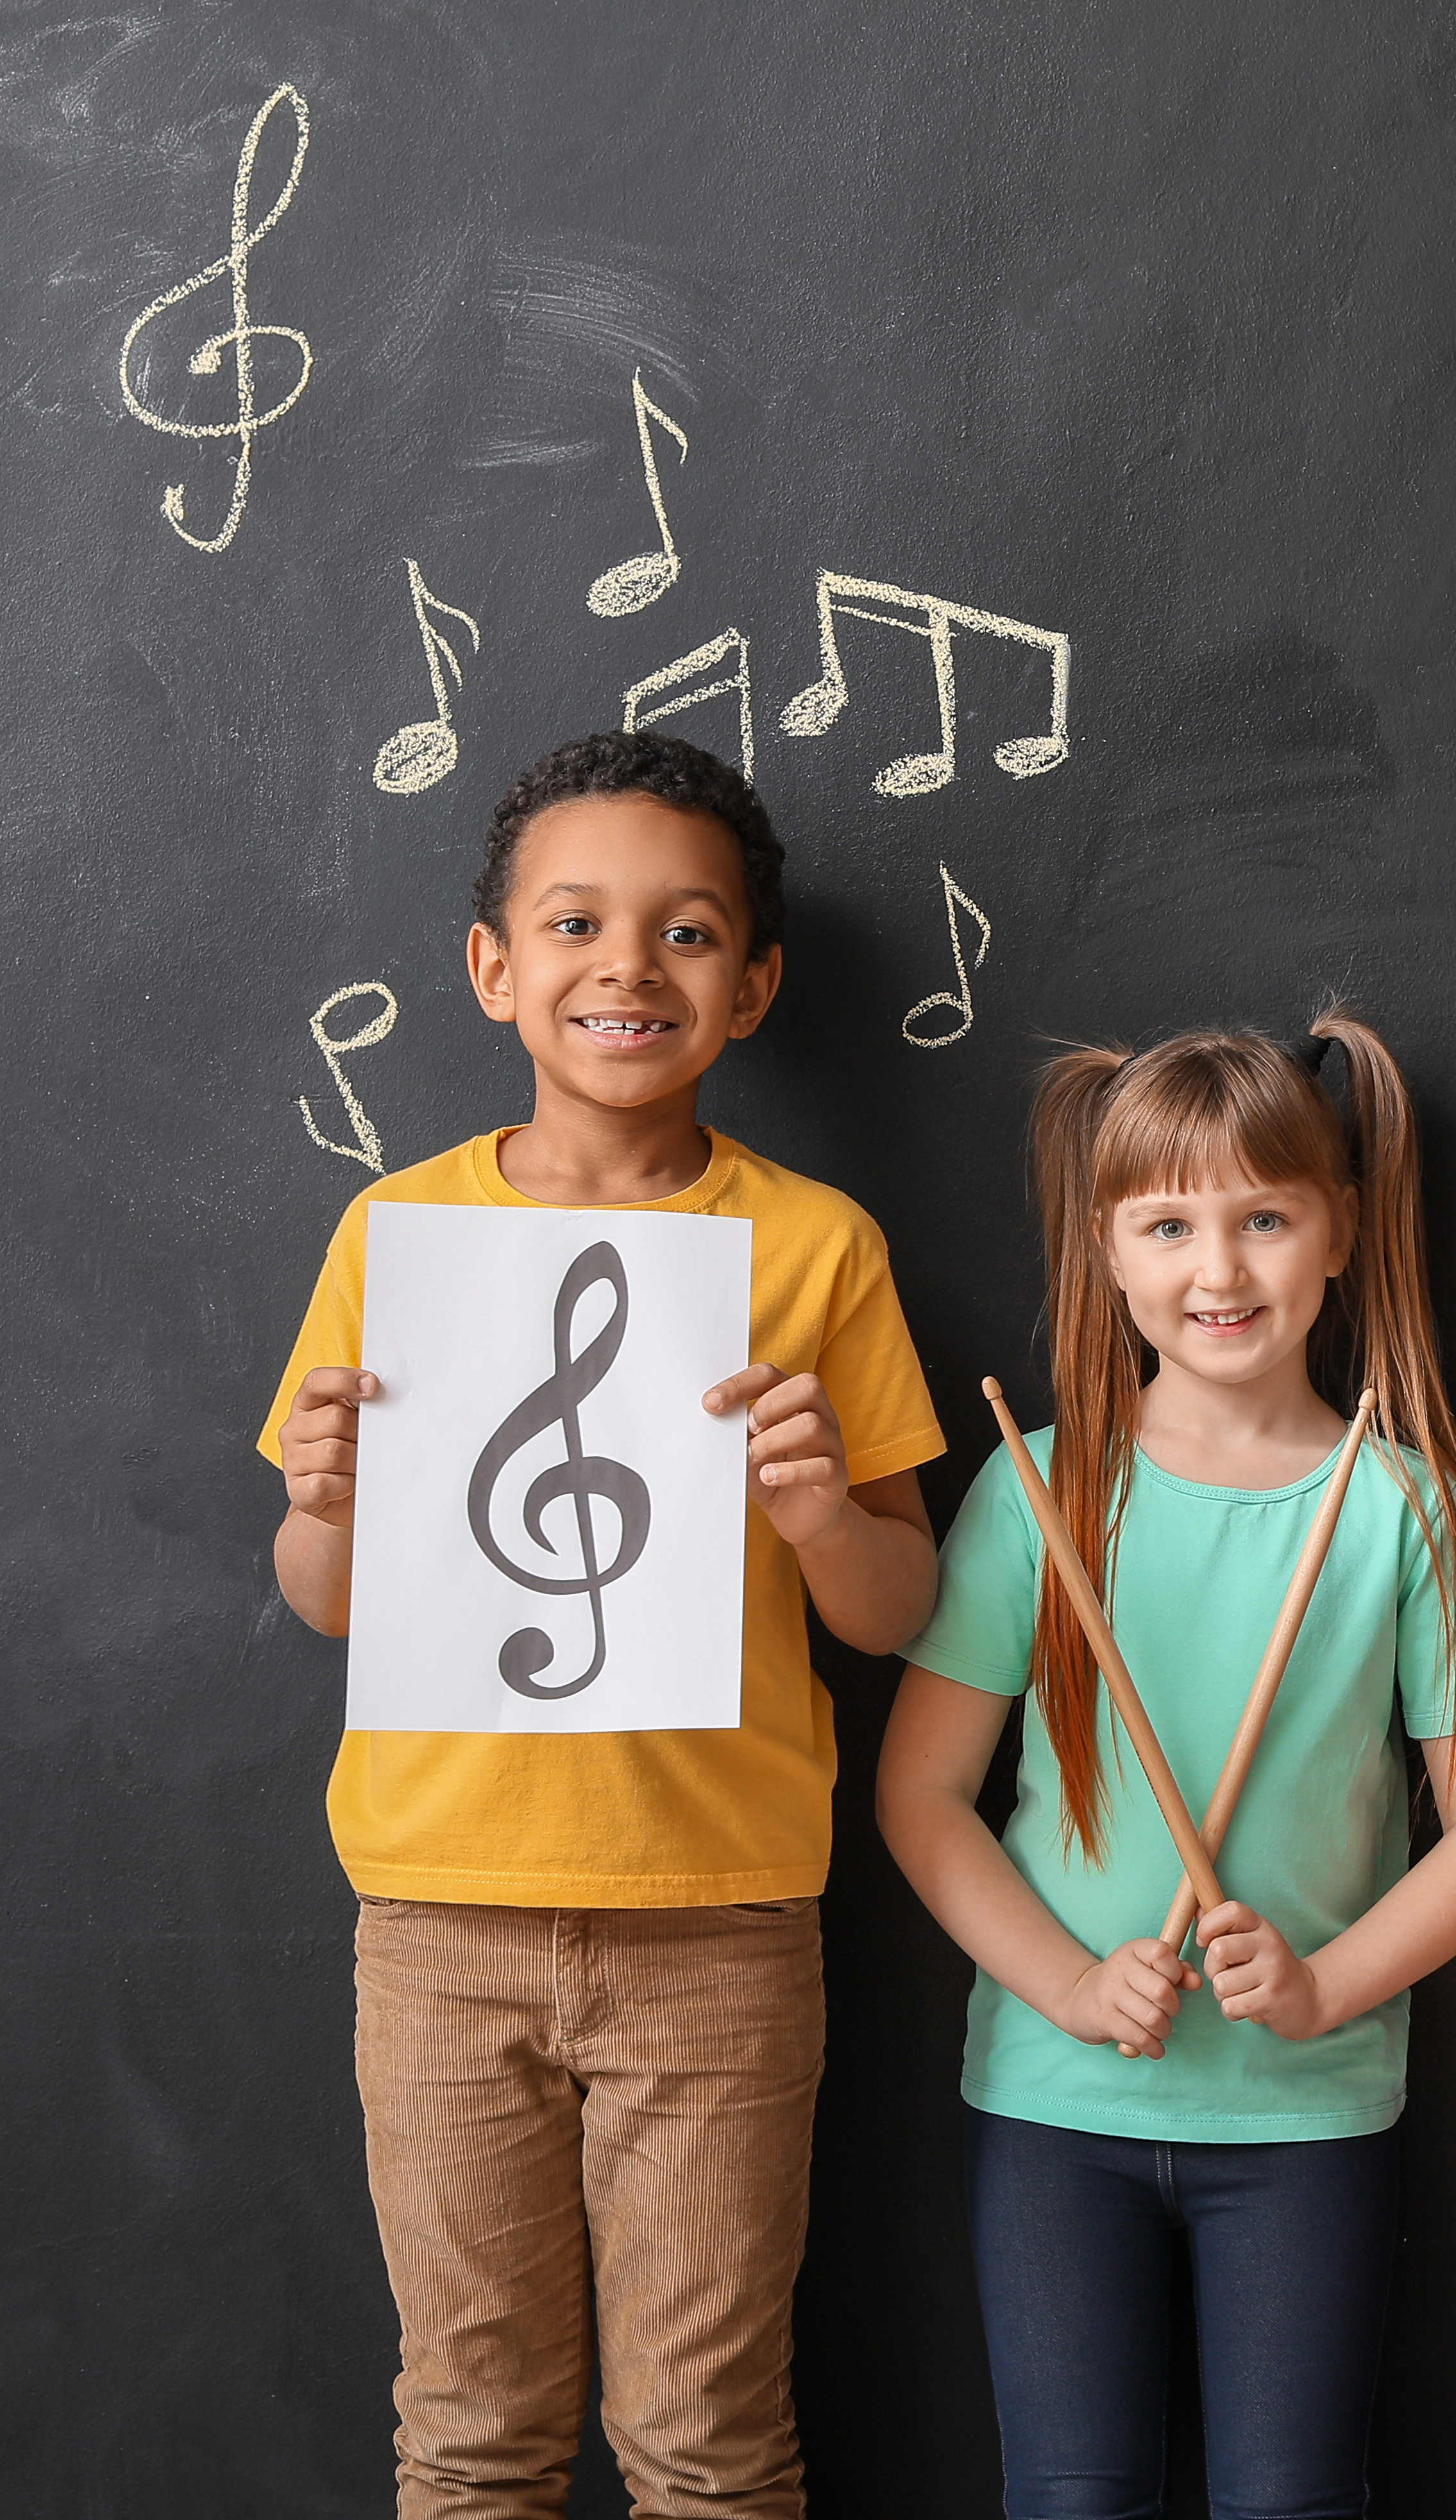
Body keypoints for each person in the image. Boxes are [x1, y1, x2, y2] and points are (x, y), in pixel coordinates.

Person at [260, 730, 946, 2519]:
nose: (627, 965)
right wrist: (324, 1499)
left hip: (718, 1920)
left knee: (708, 2442)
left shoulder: (815, 1246)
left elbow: (899, 1611)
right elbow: (324, 1600)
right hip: (437, 1915)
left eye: (687, 932)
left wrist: (819, 1509)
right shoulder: (394, 1229)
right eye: (574, 923)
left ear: (755, 985)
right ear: (494, 967)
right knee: (469, 2429)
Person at [876, 1015, 1456, 2520]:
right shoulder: (1040, 1486)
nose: (1221, 1267)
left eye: (1265, 1217)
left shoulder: (1404, 1506)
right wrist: (1067, 1982)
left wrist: (1326, 1985)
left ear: (1340, 1233)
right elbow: (920, 1798)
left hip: (1308, 2110)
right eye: (1170, 1224)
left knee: (1294, 2502)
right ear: (1108, 1253)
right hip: (1058, 2103)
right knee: (1072, 2500)